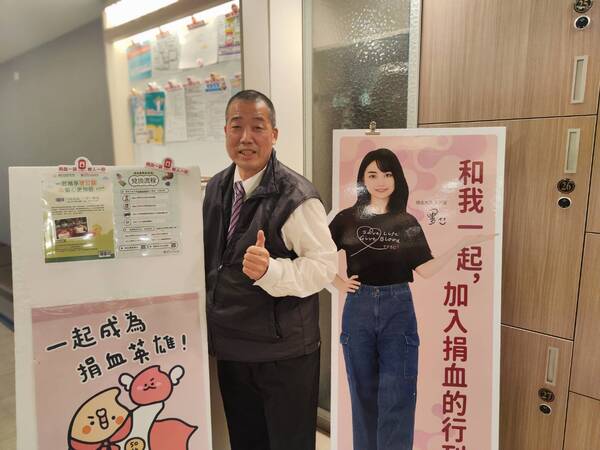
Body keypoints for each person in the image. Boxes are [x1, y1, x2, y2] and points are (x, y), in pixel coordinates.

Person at [329, 148, 490, 450]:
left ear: (397, 179)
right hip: (358, 307)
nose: (380, 181)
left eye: (387, 174)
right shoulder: (346, 219)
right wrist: (338, 282)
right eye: (372, 175)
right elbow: (317, 255)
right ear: (362, 180)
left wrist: (461, 244)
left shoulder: (406, 222)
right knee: (362, 393)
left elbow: (425, 269)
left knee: (398, 392)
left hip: (398, 307)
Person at [203, 89, 337, 450]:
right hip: (232, 348)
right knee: (246, 442)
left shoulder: (296, 196)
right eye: (237, 126)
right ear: (226, 132)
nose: (246, 137)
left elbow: (324, 267)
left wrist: (270, 272)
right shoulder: (216, 188)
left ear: (274, 134)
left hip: (284, 355)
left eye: (258, 127)